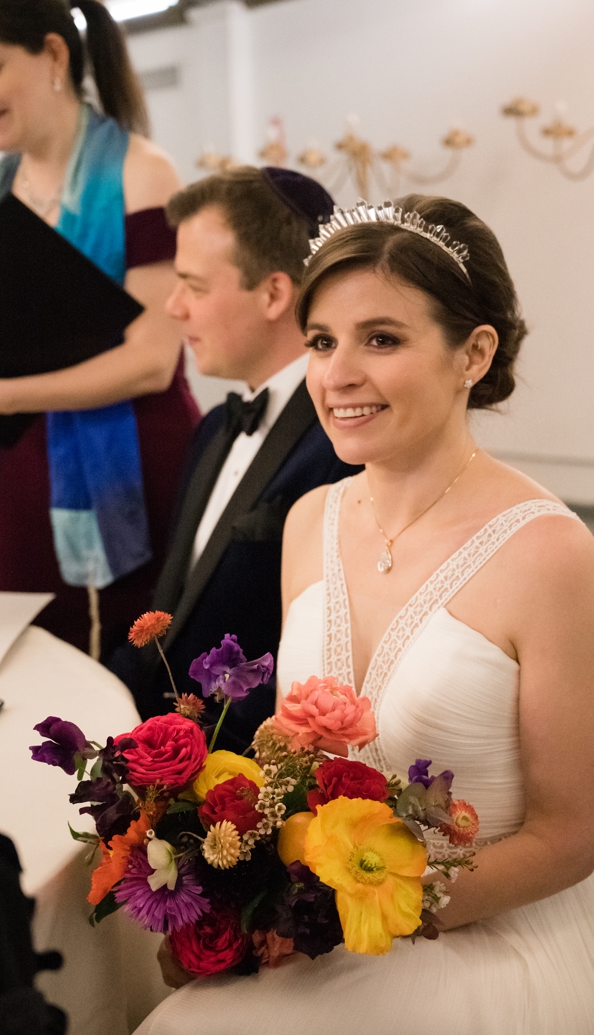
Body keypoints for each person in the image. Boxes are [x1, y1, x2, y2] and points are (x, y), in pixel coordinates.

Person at [97, 196, 594, 1035]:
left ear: (473, 353)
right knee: (146, 975)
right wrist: (235, 870)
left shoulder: (548, 551)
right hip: (327, 905)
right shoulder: (313, 518)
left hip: (485, 928)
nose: (339, 375)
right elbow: (291, 739)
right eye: (320, 341)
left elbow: (569, 838)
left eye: (381, 339)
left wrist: (357, 918)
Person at [0, 0, 200, 657]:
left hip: (133, 456)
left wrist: (2, 394)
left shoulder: (141, 173)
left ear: (53, 55)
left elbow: (152, 362)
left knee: (141, 669)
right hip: (25, 464)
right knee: (30, 665)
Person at [108, 167, 359, 740]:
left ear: (273, 293)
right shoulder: (215, 428)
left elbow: (330, 661)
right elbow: (171, 608)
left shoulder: (341, 444)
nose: (174, 306)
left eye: (194, 286)